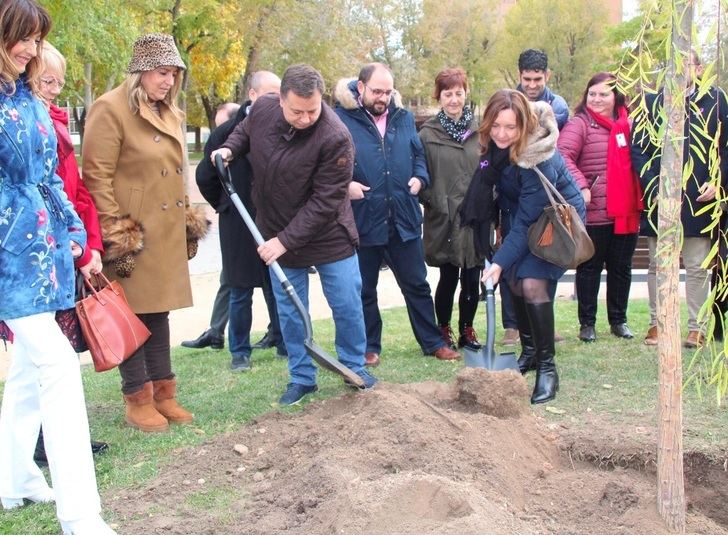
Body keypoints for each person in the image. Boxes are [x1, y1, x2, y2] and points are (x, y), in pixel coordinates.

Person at [0, 1, 116, 533]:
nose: (30, 49)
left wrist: (73, 229)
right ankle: (81, 517)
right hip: (6, 258)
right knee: (59, 367)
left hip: (42, 254)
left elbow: (49, 175)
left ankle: (15, 476)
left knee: (27, 369)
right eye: (21, 37)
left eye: (36, 38)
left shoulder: (25, 98)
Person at [211, 64, 377, 405]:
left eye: (312, 110)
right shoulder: (264, 109)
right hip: (276, 228)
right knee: (289, 309)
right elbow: (245, 131)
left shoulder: (335, 137)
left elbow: (325, 201)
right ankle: (302, 377)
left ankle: (354, 365)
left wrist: (283, 241)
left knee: (346, 301)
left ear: (322, 101)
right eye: (296, 111)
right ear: (280, 99)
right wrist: (229, 149)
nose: (304, 118)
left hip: (328, 234)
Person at [83, 34, 208, 432]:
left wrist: (189, 217)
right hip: (132, 231)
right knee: (131, 313)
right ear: (141, 71)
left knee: (159, 311)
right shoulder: (110, 109)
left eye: (173, 74)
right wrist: (115, 229)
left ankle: (164, 393)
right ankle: (137, 398)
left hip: (165, 227)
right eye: (161, 73)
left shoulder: (169, 111)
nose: (168, 81)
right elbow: (96, 176)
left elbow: (178, 172)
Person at [333, 63, 460, 366]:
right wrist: (345, 184)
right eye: (377, 91)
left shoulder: (403, 119)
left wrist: (420, 178)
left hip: (403, 217)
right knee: (365, 289)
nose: (383, 98)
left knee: (417, 284)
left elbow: (417, 155)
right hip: (363, 217)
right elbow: (327, 164)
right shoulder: (339, 120)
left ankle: (432, 342)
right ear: (361, 87)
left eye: (388, 92)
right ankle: (369, 347)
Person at [29, 41, 110, 466]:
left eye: (59, 83)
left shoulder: (55, 122)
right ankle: (46, 441)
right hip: (45, 253)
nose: (54, 90)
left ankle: (56, 436)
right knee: (46, 356)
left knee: (57, 351)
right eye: (46, 80)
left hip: (70, 246)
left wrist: (89, 244)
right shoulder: (29, 125)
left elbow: (73, 192)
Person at [481, 89, 585, 404]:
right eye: (496, 125)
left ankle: (548, 368)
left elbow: (529, 220)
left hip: (556, 223)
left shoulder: (538, 157)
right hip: (523, 219)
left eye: (510, 127)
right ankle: (529, 352)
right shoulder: (494, 146)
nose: (501, 133)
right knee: (513, 280)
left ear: (524, 126)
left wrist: (497, 262)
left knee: (531, 284)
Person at [631, 50, 728, 348]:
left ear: (698, 69)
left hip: (699, 199)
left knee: (698, 265)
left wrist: (718, 181)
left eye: (686, 64)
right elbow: (639, 150)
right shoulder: (651, 102)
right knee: (659, 265)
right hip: (662, 200)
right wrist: (653, 185)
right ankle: (657, 324)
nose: (679, 69)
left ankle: (696, 328)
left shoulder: (715, 99)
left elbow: (724, 147)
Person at [195, 70, 285, 371]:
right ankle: (240, 352)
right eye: (271, 94)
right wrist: (224, 205)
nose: (276, 100)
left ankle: (284, 341)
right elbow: (206, 176)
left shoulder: (284, 128)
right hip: (238, 223)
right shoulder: (225, 134)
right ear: (253, 95)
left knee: (278, 285)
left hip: (274, 221)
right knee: (240, 288)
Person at [558, 72, 643, 342]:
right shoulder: (580, 124)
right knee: (590, 268)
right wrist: (582, 186)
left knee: (621, 268)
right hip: (594, 212)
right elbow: (563, 155)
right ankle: (587, 324)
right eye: (592, 93)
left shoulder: (629, 124)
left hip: (625, 211)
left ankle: (619, 320)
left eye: (603, 94)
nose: (596, 99)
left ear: (615, 96)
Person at [499, 48, 571, 345]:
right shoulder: (508, 101)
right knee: (512, 262)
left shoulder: (558, 107)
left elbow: (551, 150)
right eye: (526, 78)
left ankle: (543, 320)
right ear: (519, 75)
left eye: (537, 79)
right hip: (513, 193)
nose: (531, 85)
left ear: (547, 76)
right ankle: (513, 325)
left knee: (543, 258)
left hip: (544, 189)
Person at [419, 67, 483, 350]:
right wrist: (433, 200)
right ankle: (442, 327)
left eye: (459, 93)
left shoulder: (481, 131)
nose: (454, 99)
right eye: (448, 94)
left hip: (476, 217)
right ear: (439, 96)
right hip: (444, 216)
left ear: (465, 93)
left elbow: (489, 168)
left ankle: (467, 329)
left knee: (472, 276)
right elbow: (421, 174)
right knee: (448, 276)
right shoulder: (428, 134)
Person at [180, 103, 242, 352]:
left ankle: (231, 336)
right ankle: (216, 331)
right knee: (230, 277)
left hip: (250, 218)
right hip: (233, 212)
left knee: (236, 280)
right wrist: (223, 204)